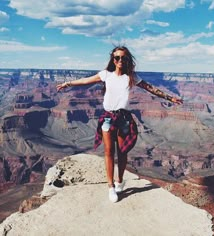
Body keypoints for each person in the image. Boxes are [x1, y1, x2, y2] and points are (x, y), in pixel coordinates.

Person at [56, 46, 183, 203]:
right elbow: (85, 81)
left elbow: (150, 88)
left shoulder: (131, 77)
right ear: (113, 59)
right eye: (117, 58)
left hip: (123, 118)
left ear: (127, 59)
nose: (120, 60)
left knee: (122, 152)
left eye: (123, 58)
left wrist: (170, 98)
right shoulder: (106, 75)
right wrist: (68, 83)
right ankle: (110, 187)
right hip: (108, 118)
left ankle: (119, 181)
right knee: (109, 151)